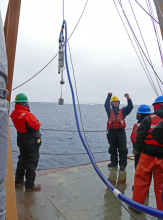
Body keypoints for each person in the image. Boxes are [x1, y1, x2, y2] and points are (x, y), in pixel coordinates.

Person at [132, 95, 163, 213]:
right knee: (161, 187)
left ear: (156, 106)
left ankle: (137, 207)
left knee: (141, 182)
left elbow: (139, 136)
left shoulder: (149, 119)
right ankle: (161, 212)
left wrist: (137, 151)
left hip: (147, 156)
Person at [10, 93, 42, 191]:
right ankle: (29, 185)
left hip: (21, 139)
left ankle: (18, 181)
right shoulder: (27, 115)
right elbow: (37, 125)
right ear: (25, 103)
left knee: (22, 159)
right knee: (31, 162)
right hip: (31, 141)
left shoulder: (14, 113)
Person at [104, 93, 133, 171]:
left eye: (117, 101)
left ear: (119, 103)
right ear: (112, 103)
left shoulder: (123, 111)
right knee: (112, 148)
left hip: (121, 132)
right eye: (114, 102)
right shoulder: (109, 111)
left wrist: (128, 99)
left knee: (123, 149)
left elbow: (130, 107)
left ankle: (122, 164)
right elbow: (106, 105)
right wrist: (109, 96)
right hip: (112, 132)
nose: (116, 103)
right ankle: (114, 162)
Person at [130, 105, 152, 170]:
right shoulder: (137, 125)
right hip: (140, 148)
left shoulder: (144, 126)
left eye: (138, 114)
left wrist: (136, 149)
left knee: (140, 167)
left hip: (142, 150)